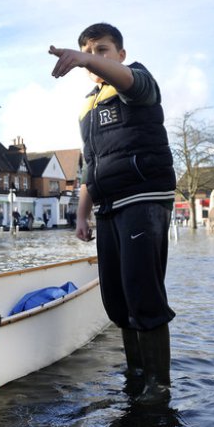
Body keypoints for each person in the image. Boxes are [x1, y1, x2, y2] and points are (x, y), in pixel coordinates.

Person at [50, 23, 176, 404]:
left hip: (142, 198)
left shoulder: (137, 81)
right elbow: (91, 165)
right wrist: (81, 215)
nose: (95, 56)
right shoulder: (88, 107)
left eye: (102, 49)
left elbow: (128, 81)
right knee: (117, 301)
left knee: (143, 293)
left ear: (119, 54)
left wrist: (86, 58)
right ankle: (136, 373)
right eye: (89, 50)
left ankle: (158, 386)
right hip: (107, 207)